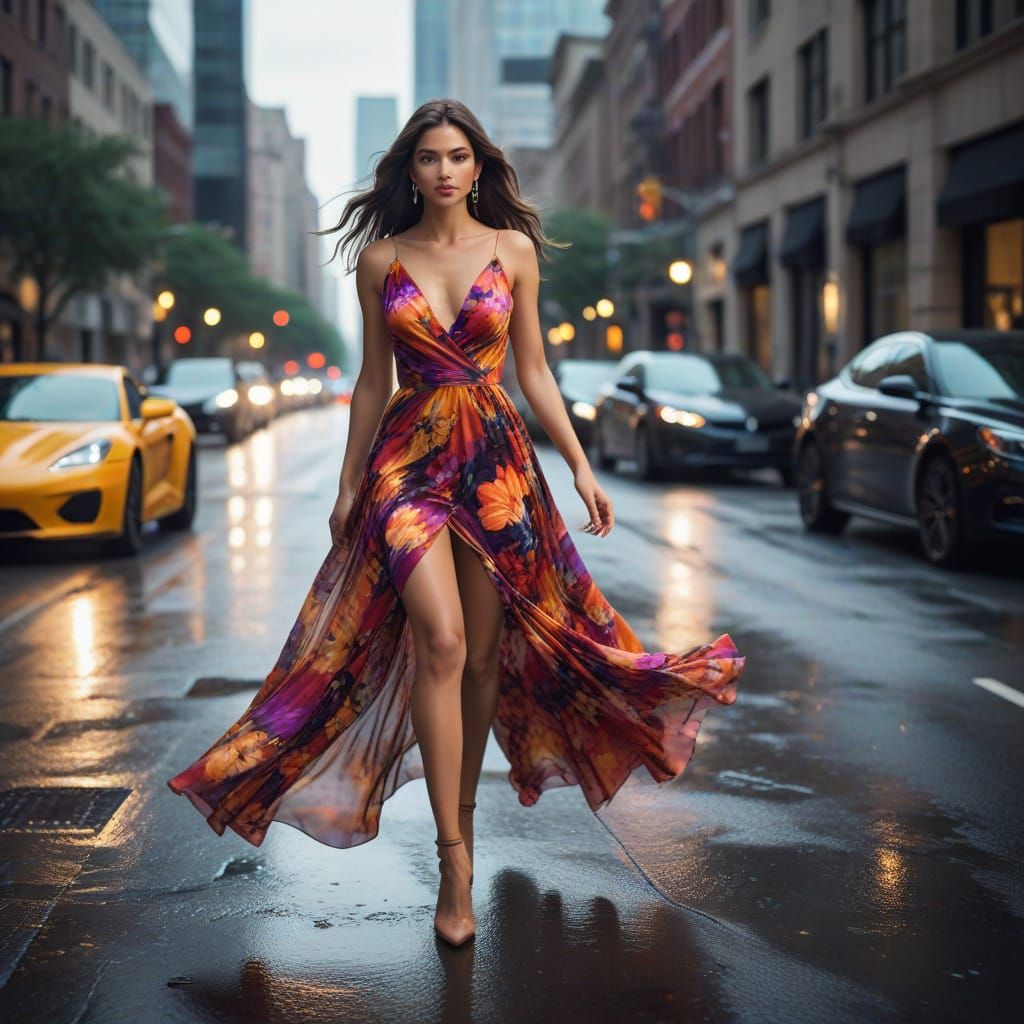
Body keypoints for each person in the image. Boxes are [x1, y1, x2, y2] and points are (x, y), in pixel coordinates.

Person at [166, 99, 745, 948]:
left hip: (497, 463)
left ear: (479, 168)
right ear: (411, 170)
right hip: (407, 460)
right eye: (429, 157)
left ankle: (464, 820)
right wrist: (346, 482)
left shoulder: (513, 252)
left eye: (459, 156)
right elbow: (371, 381)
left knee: (479, 660)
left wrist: (580, 465)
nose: (443, 170)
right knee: (438, 639)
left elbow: (536, 371)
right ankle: (452, 860)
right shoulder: (381, 259)